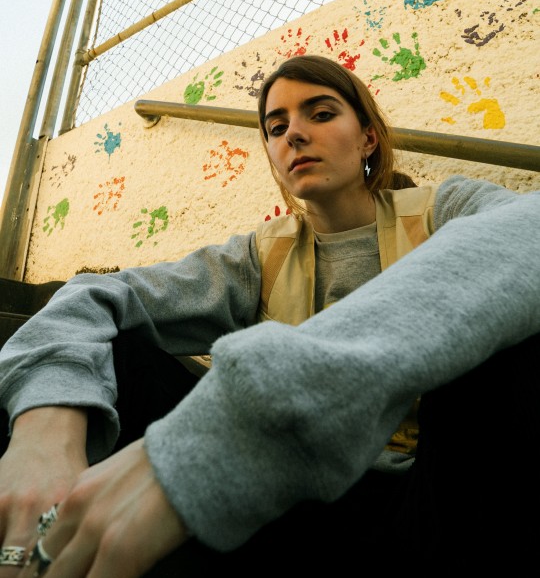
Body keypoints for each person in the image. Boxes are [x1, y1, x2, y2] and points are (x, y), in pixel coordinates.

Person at [0, 55, 538, 578]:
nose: (294, 134)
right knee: (111, 353)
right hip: (292, 506)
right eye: (276, 128)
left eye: (320, 114)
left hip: (434, 498)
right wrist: (43, 436)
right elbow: (95, 296)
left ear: (368, 138)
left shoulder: (445, 210)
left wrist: (247, 411)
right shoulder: (262, 254)